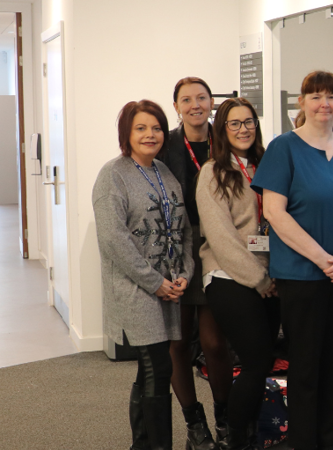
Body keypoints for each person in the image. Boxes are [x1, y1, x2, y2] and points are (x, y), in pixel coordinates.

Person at [251, 70, 333, 450]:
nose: (325, 103)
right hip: (303, 274)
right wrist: (323, 258)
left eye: (332, 96)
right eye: (316, 96)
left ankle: (328, 438)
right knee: (304, 365)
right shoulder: (284, 148)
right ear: (301, 103)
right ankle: (303, 442)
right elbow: (274, 212)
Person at [94, 100, 194, 450]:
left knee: (149, 370)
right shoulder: (113, 174)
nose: (150, 135)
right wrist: (154, 282)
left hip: (168, 285)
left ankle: (142, 443)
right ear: (127, 133)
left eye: (155, 128)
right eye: (141, 128)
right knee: (158, 369)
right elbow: (113, 239)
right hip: (136, 289)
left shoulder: (164, 172)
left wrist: (185, 272)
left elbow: (182, 230)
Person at [155, 76, 232, 449]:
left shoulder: (227, 138)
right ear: (176, 106)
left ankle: (224, 418)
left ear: (212, 102)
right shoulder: (165, 145)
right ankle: (194, 422)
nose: (195, 105)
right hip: (175, 251)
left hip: (219, 248)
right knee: (178, 341)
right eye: (187, 99)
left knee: (216, 343)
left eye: (202, 98)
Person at [197, 97, 279, 450]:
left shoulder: (268, 167)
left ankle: (248, 433)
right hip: (229, 275)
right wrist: (258, 279)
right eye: (235, 123)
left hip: (272, 277)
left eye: (249, 122)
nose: (244, 129)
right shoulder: (213, 172)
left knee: (264, 362)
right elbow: (222, 238)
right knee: (257, 359)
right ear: (222, 129)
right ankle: (234, 439)